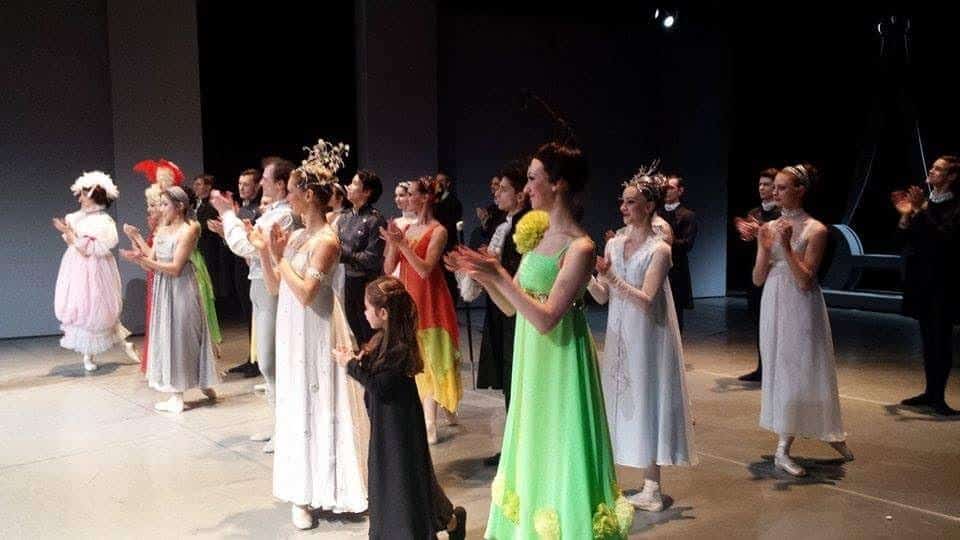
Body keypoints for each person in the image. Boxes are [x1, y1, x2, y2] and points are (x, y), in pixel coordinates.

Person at [447, 142, 633, 538]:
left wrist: (498, 274)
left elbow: (548, 318)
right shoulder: (539, 234)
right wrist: (484, 276)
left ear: (559, 183)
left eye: (533, 179)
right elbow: (515, 307)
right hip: (531, 360)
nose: (527, 188)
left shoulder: (580, 247)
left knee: (562, 446)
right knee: (533, 444)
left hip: (562, 360)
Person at [251, 157, 368, 529]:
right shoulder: (299, 236)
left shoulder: (327, 241)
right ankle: (300, 491)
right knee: (296, 402)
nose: (287, 199)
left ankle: (328, 488)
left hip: (316, 330)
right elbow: (275, 287)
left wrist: (279, 256)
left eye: (291, 192)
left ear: (308, 196)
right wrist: (268, 252)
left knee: (320, 401)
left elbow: (306, 293)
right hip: (292, 330)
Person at [589, 174, 696, 512]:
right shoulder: (614, 244)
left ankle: (653, 485)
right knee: (623, 397)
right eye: (622, 201)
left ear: (649, 206)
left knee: (649, 397)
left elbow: (647, 299)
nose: (623, 207)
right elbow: (604, 297)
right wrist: (586, 278)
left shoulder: (660, 249)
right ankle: (622, 475)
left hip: (649, 333)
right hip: (621, 332)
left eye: (630, 202)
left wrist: (611, 276)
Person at [335, 277, 467, 540]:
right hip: (387, 427)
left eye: (367, 308)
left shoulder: (399, 347)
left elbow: (381, 386)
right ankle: (451, 521)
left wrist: (349, 365)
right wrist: (357, 359)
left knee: (405, 484)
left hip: (400, 430)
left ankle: (433, 527)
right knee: (402, 482)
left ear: (383, 313)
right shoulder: (382, 341)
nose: (364, 313)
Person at [753, 164, 853, 476]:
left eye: (783, 187)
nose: (775, 192)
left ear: (800, 191)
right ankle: (783, 446)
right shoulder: (768, 227)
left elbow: (805, 280)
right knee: (779, 368)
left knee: (804, 367)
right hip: (773, 300)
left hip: (801, 304)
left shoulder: (816, 230)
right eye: (775, 187)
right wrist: (765, 249)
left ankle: (820, 432)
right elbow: (757, 279)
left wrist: (784, 246)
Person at [121, 187, 219, 413]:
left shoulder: (189, 229)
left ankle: (182, 392)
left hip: (181, 286)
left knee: (183, 337)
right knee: (168, 335)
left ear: (180, 206)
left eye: (165, 204)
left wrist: (144, 262)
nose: (160, 209)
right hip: (164, 288)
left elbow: (175, 268)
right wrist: (136, 243)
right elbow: (152, 257)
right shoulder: (162, 229)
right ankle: (186, 388)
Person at [383, 176, 462, 444]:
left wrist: (403, 244)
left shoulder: (438, 231)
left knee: (432, 358)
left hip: (430, 298)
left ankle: (431, 421)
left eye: (412, 193)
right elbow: (388, 268)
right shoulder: (404, 229)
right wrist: (394, 243)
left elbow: (426, 269)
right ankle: (429, 413)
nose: (408, 197)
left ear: (425, 197)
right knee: (416, 357)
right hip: (409, 298)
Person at [891, 155, 960, 416]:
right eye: (932, 167)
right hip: (921, 280)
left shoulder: (955, 206)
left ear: (951, 177)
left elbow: (944, 239)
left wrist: (920, 210)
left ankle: (939, 396)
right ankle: (930, 391)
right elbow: (905, 239)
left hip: (944, 282)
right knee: (927, 338)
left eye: (938, 169)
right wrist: (906, 215)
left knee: (940, 339)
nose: (932, 171)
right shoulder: (927, 204)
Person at [52, 171, 131, 372]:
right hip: (77, 267)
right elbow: (74, 244)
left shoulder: (103, 222)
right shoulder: (75, 217)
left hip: (96, 267)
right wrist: (68, 232)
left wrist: (68, 232)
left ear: (94, 197)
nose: (79, 198)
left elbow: (90, 249)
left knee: (97, 303)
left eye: (83, 194)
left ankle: (102, 350)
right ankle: (90, 353)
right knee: (81, 304)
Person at [735, 168, 781, 382]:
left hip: (777, 272)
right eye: (760, 184)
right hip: (756, 272)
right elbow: (750, 247)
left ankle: (777, 370)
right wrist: (746, 234)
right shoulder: (754, 212)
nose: (762, 188)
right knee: (759, 321)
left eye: (767, 184)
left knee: (777, 322)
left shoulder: (782, 213)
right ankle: (762, 368)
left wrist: (760, 230)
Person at [657, 174, 698, 332]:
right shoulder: (657, 213)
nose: (666, 191)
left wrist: (667, 240)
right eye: (665, 188)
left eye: (671, 188)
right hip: (658, 268)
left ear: (680, 191)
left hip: (676, 272)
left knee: (675, 317)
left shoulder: (687, 215)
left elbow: (687, 244)